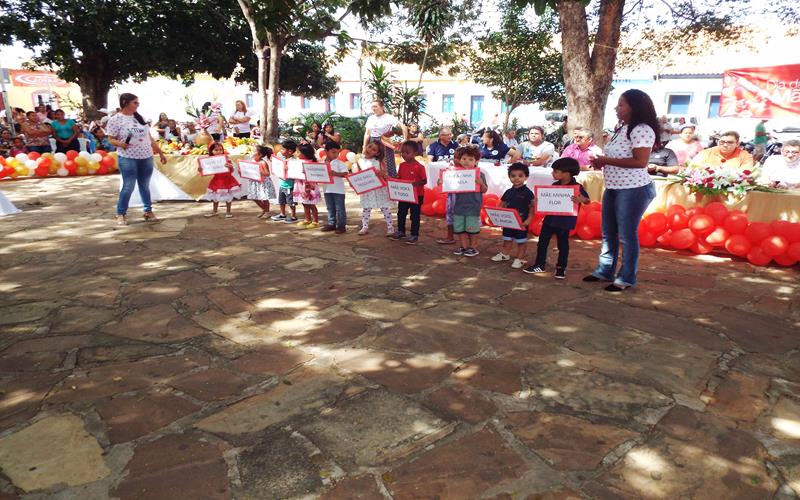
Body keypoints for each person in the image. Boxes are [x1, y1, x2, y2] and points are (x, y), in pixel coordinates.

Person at [586, 89, 659, 292]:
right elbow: (619, 157)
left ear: (634, 107)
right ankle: (604, 270)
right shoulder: (622, 128)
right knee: (608, 232)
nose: (616, 108)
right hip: (614, 187)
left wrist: (605, 160)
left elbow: (640, 162)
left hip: (633, 189)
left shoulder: (642, 129)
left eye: (621, 104)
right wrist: (601, 163)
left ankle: (626, 277)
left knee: (627, 235)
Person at [106, 93, 167, 226]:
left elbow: (149, 138)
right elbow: (110, 139)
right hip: (128, 157)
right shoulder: (115, 119)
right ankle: (120, 213)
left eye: (137, 103)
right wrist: (121, 144)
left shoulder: (140, 118)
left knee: (144, 185)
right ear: (125, 102)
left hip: (146, 156)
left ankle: (148, 211)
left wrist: (160, 153)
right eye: (135, 102)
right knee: (128, 185)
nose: (137, 105)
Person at [524, 158, 590, 278]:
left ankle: (561, 268)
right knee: (542, 243)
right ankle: (539, 264)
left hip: (564, 222)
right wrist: (539, 201)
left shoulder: (577, 187)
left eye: (556, 171)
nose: (553, 173)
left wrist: (581, 199)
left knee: (562, 245)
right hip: (550, 220)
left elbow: (587, 200)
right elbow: (548, 199)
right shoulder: (554, 185)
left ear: (567, 173)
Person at [490, 162, 535, 269]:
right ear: (509, 177)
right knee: (507, 239)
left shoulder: (528, 193)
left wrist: (529, 219)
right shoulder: (508, 192)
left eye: (520, 176)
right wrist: (497, 217)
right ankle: (505, 254)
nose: (516, 178)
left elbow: (532, 207)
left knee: (521, 242)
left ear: (526, 177)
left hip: (521, 222)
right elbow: (501, 205)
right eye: (513, 176)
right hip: (508, 222)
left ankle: (519, 259)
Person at [450, 146, 488, 257]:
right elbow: (449, 186)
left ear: (476, 161)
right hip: (459, 206)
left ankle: (473, 247)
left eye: (470, 159)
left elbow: (484, 190)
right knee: (460, 228)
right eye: (464, 158)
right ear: (459, 159)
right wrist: (442, 181)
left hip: (473, 207)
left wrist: (480, 183)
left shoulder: (480, 175)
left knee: (472, 229)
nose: (467, 161)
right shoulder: (455, 174)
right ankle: (463, 246)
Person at [391, 141, 427, 245]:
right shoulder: (402, 165)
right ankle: (401, 231)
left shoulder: (420, 167)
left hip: (417, 195)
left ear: (415, 153)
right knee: (401, 213)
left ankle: (414, 234)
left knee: (415, 215)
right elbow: (399, 178)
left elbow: (425, 181)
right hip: (404, 196)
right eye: (402, 152)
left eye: (407, 152)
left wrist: (415, 184)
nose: (404, 154)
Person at [355, 141, 393, 236]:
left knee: (384, 208)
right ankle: (365, 226)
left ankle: (390, 227)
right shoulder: (360, 161)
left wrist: (380, 173)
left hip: (379, 189)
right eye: (370, 147)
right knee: (366, 208)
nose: (370, 150)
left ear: (377, 153)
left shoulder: (378, 162)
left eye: (374, 149)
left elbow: (385, 174)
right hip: (367, 190)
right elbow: (359, 175)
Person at [363, 100, 407, 177]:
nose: (374, 108)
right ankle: (372, 181)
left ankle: (390, 181)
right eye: (372, 107)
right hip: (372, 142)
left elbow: (403, 127)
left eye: (375, 106)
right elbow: (367, 134)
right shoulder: (370, 118)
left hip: (385, 142)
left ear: (382, 107)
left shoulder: (389, 117)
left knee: (388, 163)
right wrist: (364, 146)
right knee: (371, 162)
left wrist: (405, 139)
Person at [200, 141, 241, 218]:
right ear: (211, 151)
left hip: (227, 179)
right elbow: (206, 171)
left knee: (228, 195)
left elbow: (232, 170)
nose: (218, 151)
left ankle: (228, 211)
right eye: (216, 150)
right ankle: (214, 211)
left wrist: (230, 166)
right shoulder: (210, 160)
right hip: (217, 180)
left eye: (220, 149)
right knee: (215, 195)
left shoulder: (227, 158)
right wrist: (201, 169)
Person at [320, 141, 350, 234]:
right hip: (327, 189)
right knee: (330, 207)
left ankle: (341, 226)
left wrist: (335, 173)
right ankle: (331, 223)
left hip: (338, 190)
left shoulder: (339, 163)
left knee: (340, 208)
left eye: (337, 152)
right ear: (326, 151)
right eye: (333, 152)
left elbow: (345, 173)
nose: (336, 154)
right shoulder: (322, 163)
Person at [690, 131, 754, 169]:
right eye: (722, 142)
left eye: (730, 142)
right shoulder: (706, 153)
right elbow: (693, 167)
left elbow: (745, 173)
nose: (725, 145)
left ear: (737, 144)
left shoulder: (745, 156)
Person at [293, 143, 321, 229]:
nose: (296, 154)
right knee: (304, 203)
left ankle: (315, 221)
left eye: (298, 152)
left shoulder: (311, 163)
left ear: (304, 154)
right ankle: (307, 219)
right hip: (300, 185)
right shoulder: (297, 162)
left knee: (311, 204)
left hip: (309, 185)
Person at [270, 140, 299, 223]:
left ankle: (293, 216)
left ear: (290, 151)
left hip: (290, 185)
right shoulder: (282, 158)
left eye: (282, 149)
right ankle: (282, 214)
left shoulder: (294, 161)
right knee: (281, 200)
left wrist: (288, 169)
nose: (280, 151)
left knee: (291, 202)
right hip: (282, 184)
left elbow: (295, 172)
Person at [246, 145, 276, 218]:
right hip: (255, 182)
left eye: (254, 151)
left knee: (264, 197)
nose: (252, 153)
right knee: (254, 197)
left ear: (260, 154)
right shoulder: (252, 161)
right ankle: (264, 209)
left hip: (263, 182)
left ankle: (267, 211)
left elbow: (267, 173)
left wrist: (258, 171)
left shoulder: (262, 162)